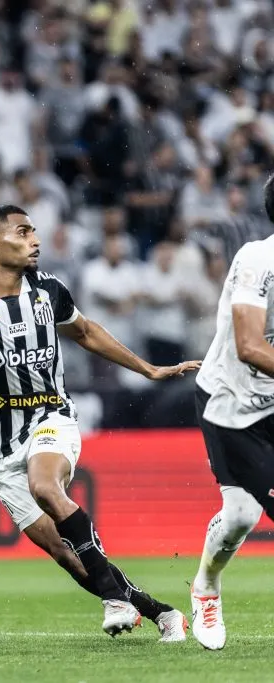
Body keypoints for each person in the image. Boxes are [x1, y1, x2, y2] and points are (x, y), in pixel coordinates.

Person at [0, 204, 199, 640]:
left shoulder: (49, 290)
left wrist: (148, 370)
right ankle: (161, 612)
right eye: (24, 231)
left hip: (51, 416)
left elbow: (87, 332)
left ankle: (115, 602)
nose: (35, 239)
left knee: (45, 486)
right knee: (65, 552)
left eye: (35, 231)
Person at [190, 173, 274, 651]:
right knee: (241, 514)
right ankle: (206, 586)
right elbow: (248, 345)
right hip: (232, 405)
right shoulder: (257, 258)